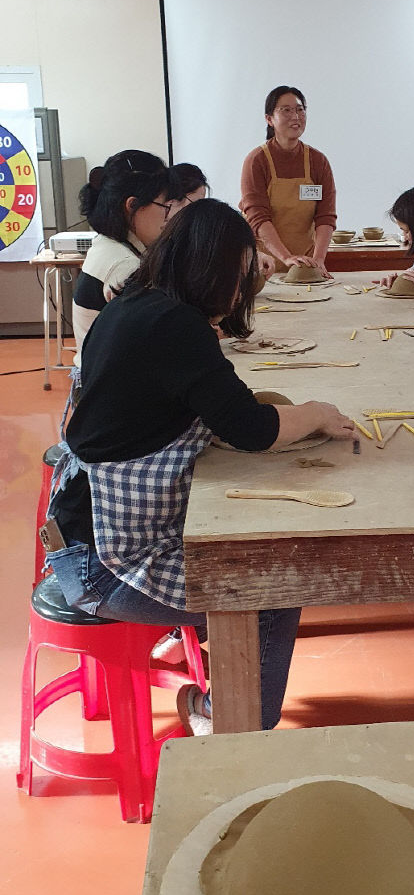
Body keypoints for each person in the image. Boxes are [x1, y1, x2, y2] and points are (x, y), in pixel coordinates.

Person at [44, 199, 354, 735]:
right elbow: (251, 429)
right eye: (235, 280)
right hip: (104, 567)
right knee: (274, 594)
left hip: (77, 531)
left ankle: (224, 670)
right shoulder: (174, 325)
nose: (237, 295)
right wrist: (314, 415)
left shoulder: (139, 301)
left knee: (252, 560)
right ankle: (231, 723)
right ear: (208, 269)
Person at [72, 150, 173, 361]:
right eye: (164, 206)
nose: (168, 215)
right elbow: (150, 343)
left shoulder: (107, 244)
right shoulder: (123, 265)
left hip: (100, 376)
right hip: (108, 386)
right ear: (132, 205)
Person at [240, 86, 336, 275]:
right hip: (264, 264)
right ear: (269, 119)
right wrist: (285, 257)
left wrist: (318, 260)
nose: (295, 116)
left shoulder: (317, 161)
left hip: (305, 264)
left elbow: (326, 215)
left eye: (300, 110)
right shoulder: (257, 160)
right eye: (286, 110)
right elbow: (258, 217)